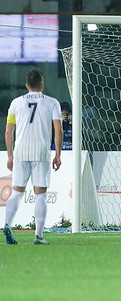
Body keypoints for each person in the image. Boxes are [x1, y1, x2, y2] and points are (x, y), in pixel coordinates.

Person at [4, 69, 62, 245]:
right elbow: (58, 130)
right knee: (40, 196)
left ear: (26, 85)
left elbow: (8, 131)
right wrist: (57, 155)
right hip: (41, 153)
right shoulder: (52, 103)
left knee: (16, 192)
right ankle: (38, 236)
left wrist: (10, 156)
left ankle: (7, 224)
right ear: (42, 84)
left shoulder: (15, 103)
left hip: (21, 152)